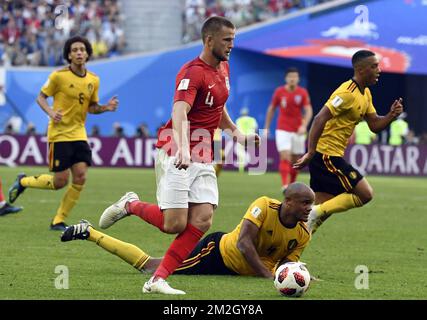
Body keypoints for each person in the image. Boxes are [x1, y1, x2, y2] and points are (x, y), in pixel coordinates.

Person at [97, 16, 259, 295]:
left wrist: (236, 133)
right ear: (209, 40)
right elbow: (179, 111)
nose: (232, 45)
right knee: (173, 224)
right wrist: (183, 147)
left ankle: (157, 279)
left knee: (203, 218)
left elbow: (217, 106)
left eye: (234, 39)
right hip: (176, 149)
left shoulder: (224, 68)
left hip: (204, 151)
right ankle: (131, 205)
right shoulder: (191, 72)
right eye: (227, 40)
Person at [60, 182, 313, 280]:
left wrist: (296, 276)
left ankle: (129, 205)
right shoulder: (264, 206)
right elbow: (243, 244)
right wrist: (268, 276)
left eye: (310, 204)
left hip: (241, 270)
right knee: (150, 266)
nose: (309, 209)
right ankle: (90, 232)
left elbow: (287, 265)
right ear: (288, 202)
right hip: (216, 254)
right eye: (304, 203)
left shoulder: (303, 233)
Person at [8, 36, 118, 231]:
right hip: (59, 134)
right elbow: (41, 98)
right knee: (60, 182)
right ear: (69, 54)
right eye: (74, 50)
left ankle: (58, 220)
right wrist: (51, 112)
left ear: (87, 54)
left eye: (82, 50)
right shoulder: (58, 76)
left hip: (79, 133)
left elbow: (90, 107)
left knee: (81, 176)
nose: (78, 53)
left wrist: (105, 108)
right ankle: (23, 181)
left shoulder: (94, 79)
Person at [293, 50, 404, 234]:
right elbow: (319, 118)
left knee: (314, 218)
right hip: (326, 155)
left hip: (331, 154)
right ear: (360, 69)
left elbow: (374, 124)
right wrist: (311, 152)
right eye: (374, 66)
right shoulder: (346, 93)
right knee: (365, 194)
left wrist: (391, 115)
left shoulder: (365, 93)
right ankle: (313, 214)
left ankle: (288, 255)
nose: (379, 70)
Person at [264, 67, 313, 193]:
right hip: (282, 128)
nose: (292, 79)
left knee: (296, 159)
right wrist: (267, 127)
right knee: (285, 155)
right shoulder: (279, 92)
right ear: (286, 78)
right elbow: (271, 109)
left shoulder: (302, 92)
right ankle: (285, 185)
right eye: (290, 76)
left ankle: (292, 185)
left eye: (295, 77)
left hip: (298, 130)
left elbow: (308, 110)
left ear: (298, 79)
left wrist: (304, 125)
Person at [236, 107, 258, 172]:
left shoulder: (238, 120)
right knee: (251, 152)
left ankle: (241, 169)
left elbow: (236, 129)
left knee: (240, 151)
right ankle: (252, 166)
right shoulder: (252, 120)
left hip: (241, 137)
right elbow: (255, 128)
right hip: (250, 137)